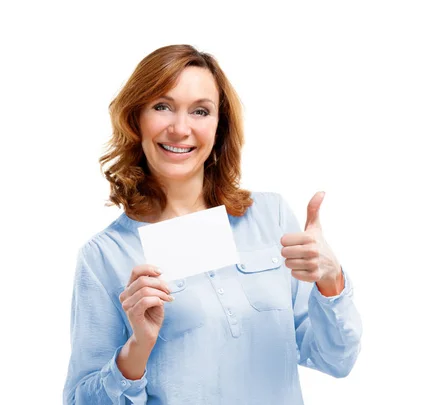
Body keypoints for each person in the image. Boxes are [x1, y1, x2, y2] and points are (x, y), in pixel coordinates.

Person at [62, 44, 362, 404]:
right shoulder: (104, 257)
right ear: (135, 119)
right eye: (162, 106)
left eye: (200, 111)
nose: (180, 128)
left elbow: (336, 359)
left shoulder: (271, 216)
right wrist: (137, 349)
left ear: (219, 127)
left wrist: (331, 280)